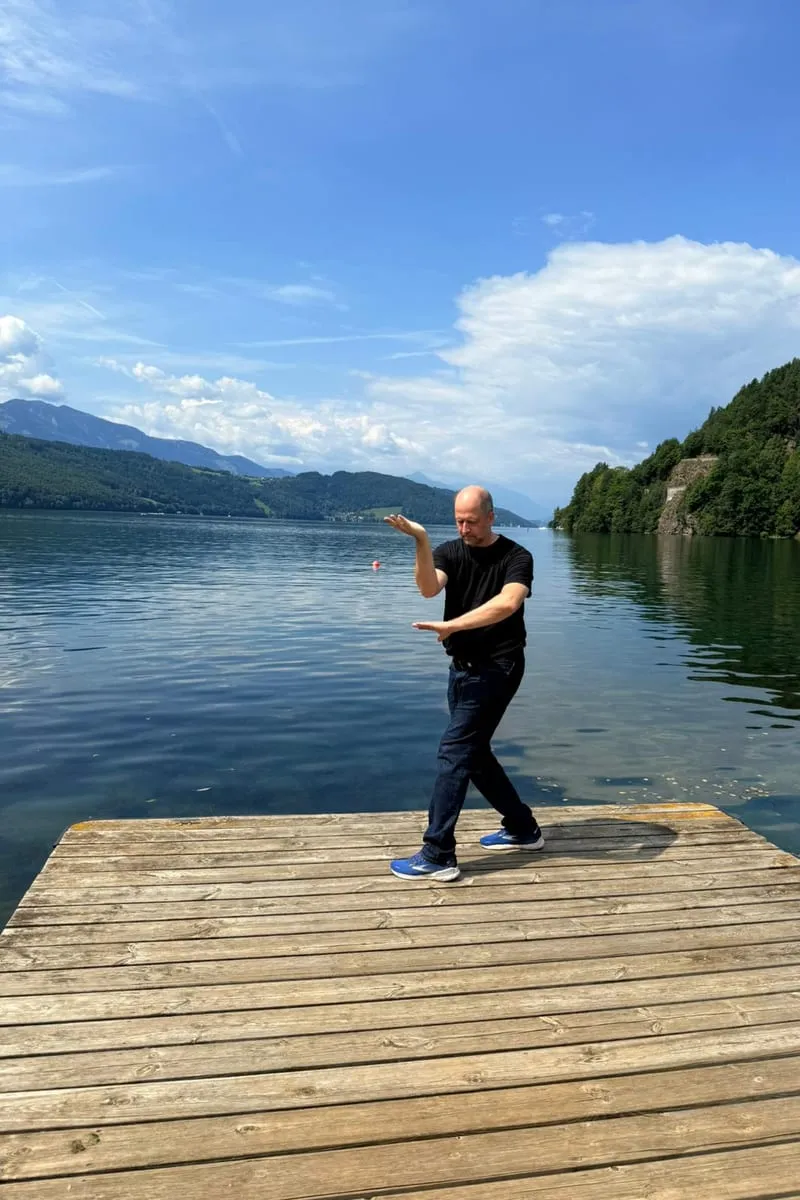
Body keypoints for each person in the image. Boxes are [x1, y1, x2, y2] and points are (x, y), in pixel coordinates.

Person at [384, 486, 544, 881]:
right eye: (458, 520)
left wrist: (452, 624)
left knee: (455, 751)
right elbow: (427, 588)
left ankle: (438, 853)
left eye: (471, 521)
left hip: (499, 666)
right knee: (473, 752)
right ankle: (523, 828)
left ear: (491, 517)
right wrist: (421, 541)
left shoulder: (516, 557)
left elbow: (508, 604)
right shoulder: (451, 551)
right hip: (462, 666)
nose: (464, 528)